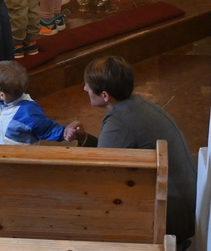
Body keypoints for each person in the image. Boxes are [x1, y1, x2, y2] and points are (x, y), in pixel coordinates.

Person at [65, 57, 197, 246]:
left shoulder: (119, 122)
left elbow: (99, 172)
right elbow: (110, 155)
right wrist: (84, 138)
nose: (85, 88)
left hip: (170, 218)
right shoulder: (138, 104)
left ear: (104, 95)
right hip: (185, 207)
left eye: (88, 85)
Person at [0, 60, 65, 145]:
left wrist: (64, 133)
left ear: (2, 95)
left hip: (20, 156)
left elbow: (48, 129)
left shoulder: (28, 112)